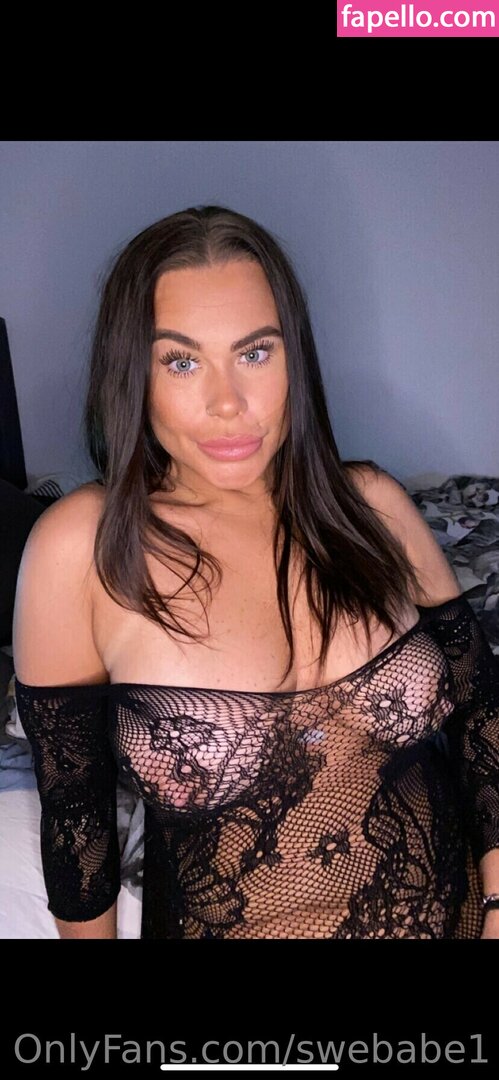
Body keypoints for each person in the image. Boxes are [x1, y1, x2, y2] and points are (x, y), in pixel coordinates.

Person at [12, 204, 499, 940]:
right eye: (181, 362)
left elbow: (481, 714)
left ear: (292, 358)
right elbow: (77, 823)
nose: (227, 403)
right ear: (132, 374)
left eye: (255, 353)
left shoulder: (372, 505)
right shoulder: (81, 546)